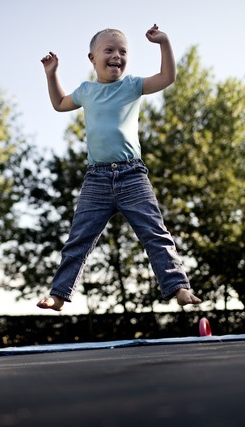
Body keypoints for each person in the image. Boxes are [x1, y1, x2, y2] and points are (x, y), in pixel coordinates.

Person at [37, 24, 201, 311]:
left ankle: (179, 287)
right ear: (92, 58)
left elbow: (167, 76)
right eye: (109, 50)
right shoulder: (86, 91)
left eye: (122, 51)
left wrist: (164, 42)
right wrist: (52, 75)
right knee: (79, 238)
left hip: (132, 175)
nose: (117, 56)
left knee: (155, 233)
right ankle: (59, 294)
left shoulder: (132, 85)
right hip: (96, 179)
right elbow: (60, 104)